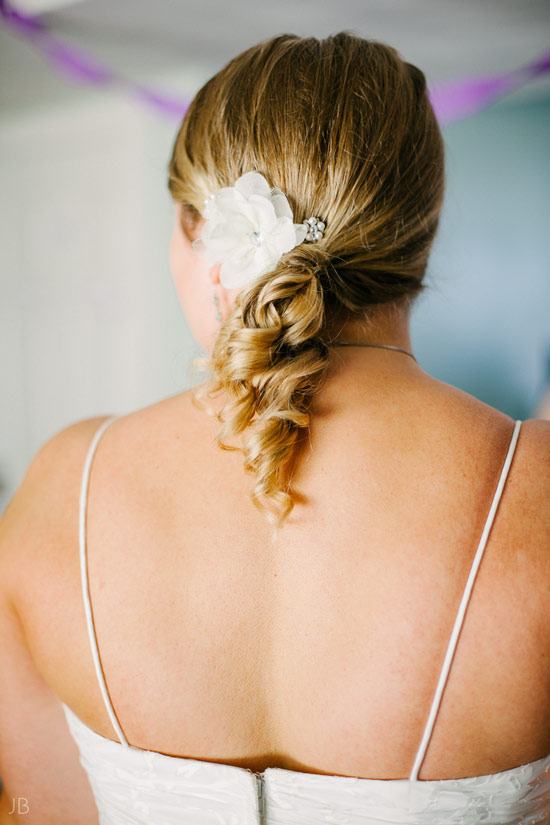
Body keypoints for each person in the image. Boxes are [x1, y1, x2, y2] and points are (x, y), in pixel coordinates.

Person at [0, 31, 548, 825]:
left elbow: (36, 811)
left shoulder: (64, 483)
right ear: (418, 237)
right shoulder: (534, 488)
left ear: (199, 231)